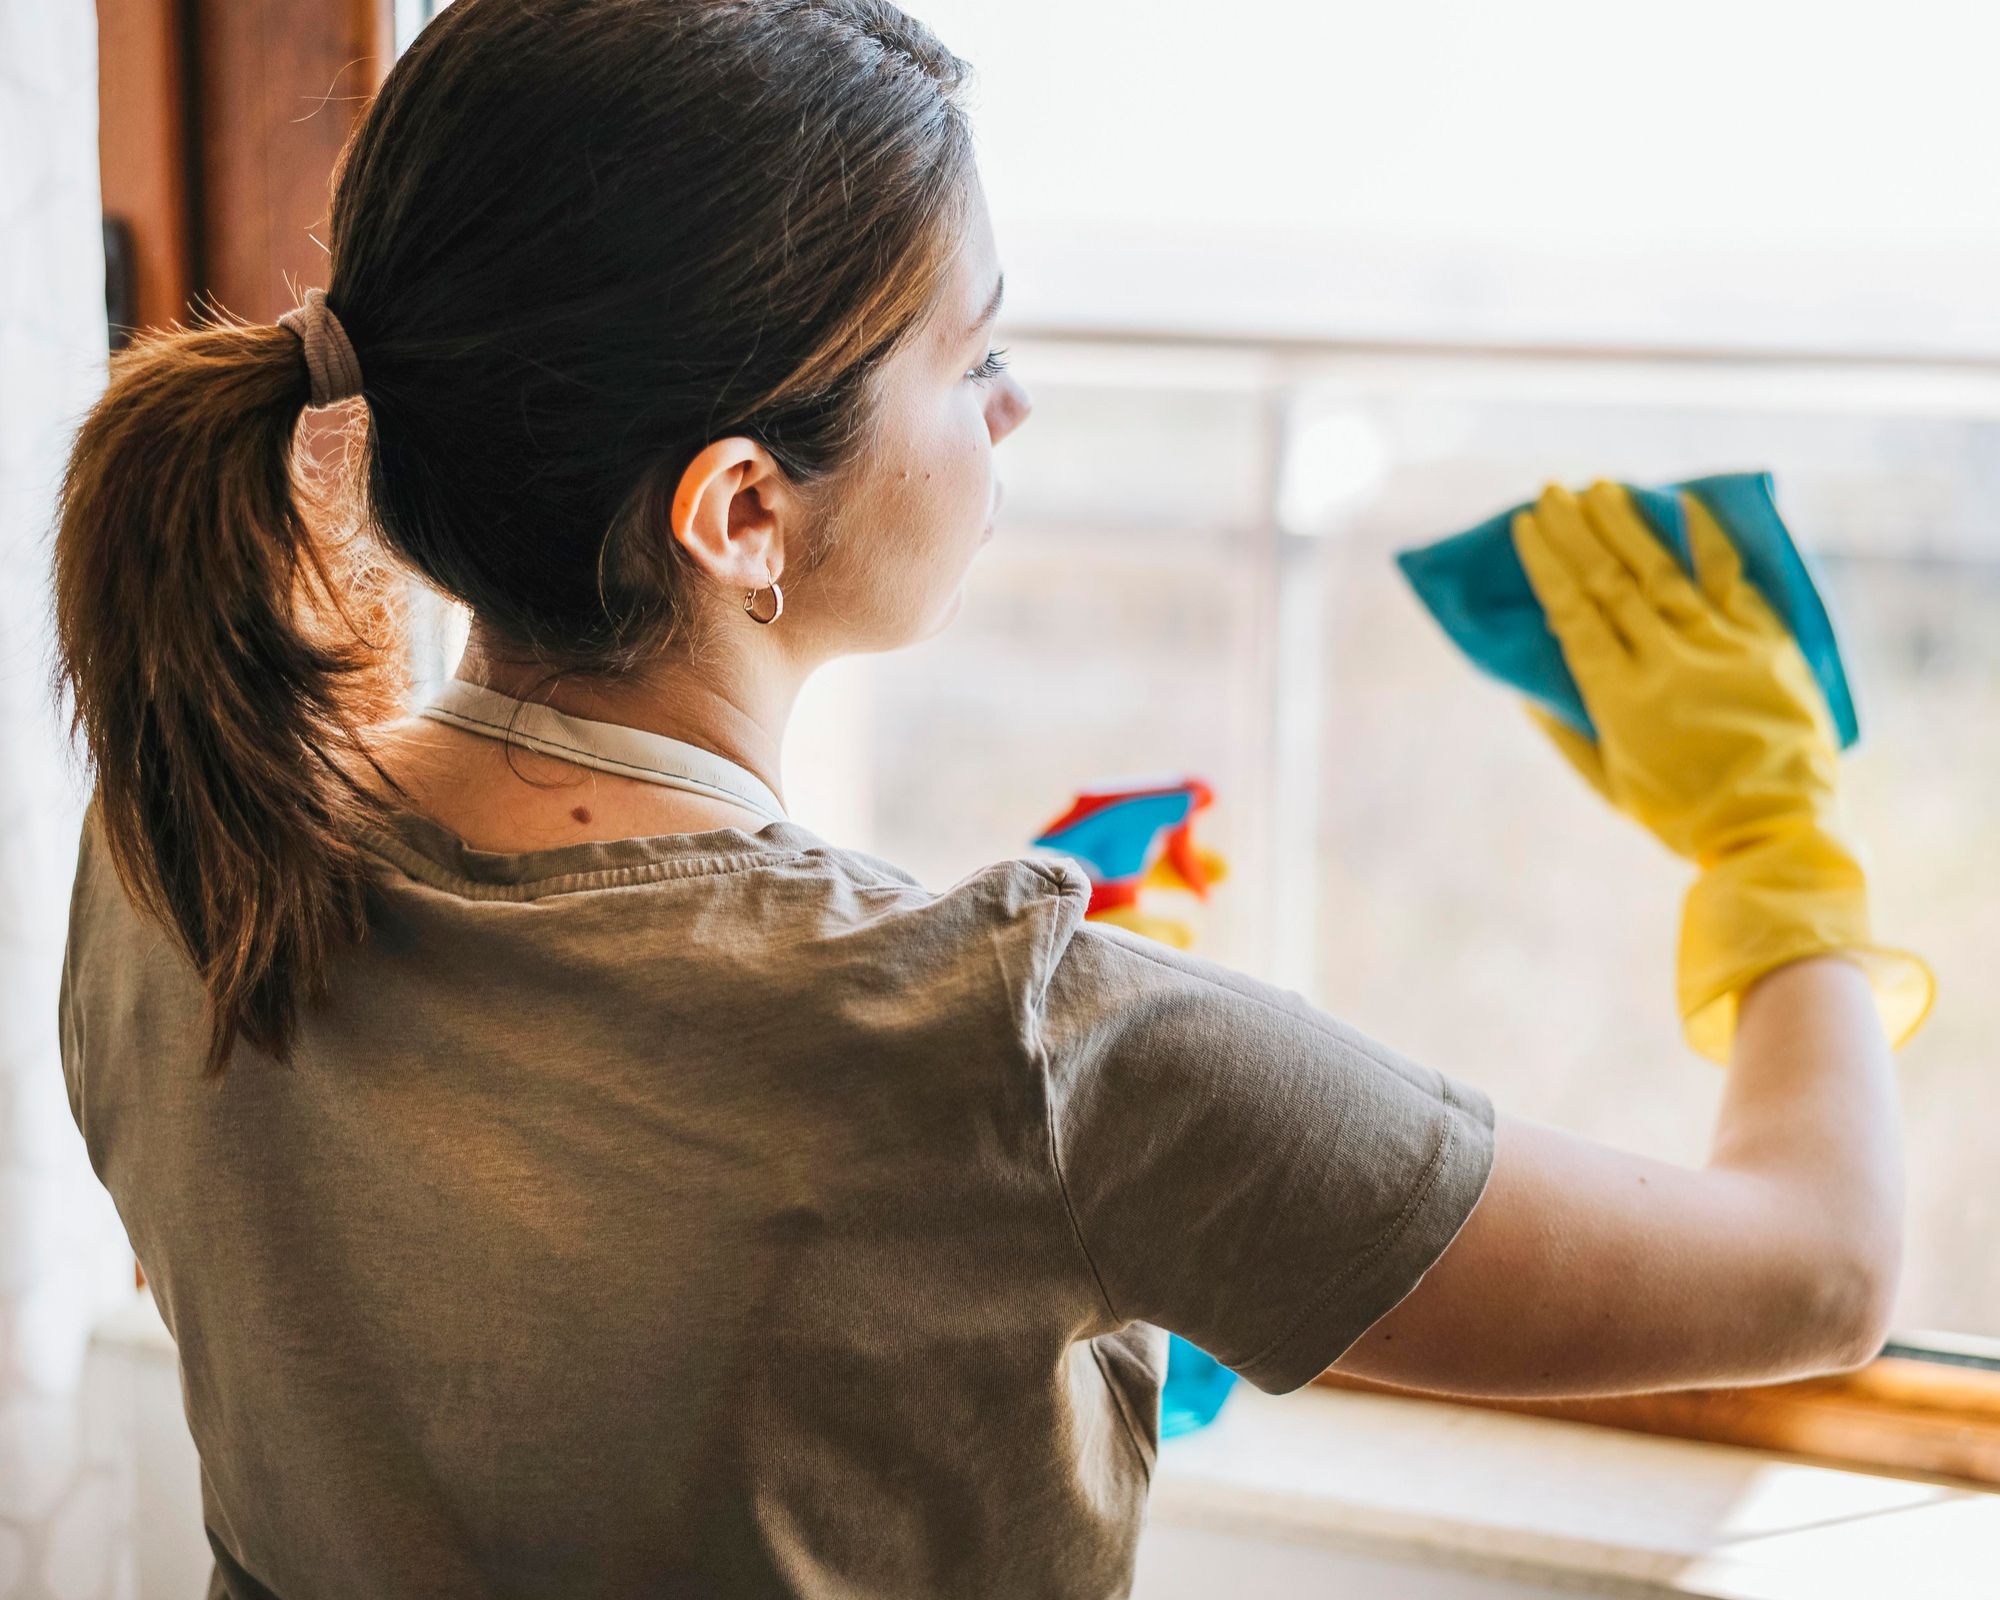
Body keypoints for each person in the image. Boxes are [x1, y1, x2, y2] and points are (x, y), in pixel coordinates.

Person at [50, 2, 1919, 1596]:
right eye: (978, 357)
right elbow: (1822, 1272)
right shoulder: (1022, 1057)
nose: (1010, 413)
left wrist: (1004, 1243)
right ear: (742, 511)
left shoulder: (178, 844)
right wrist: (1770, 834)